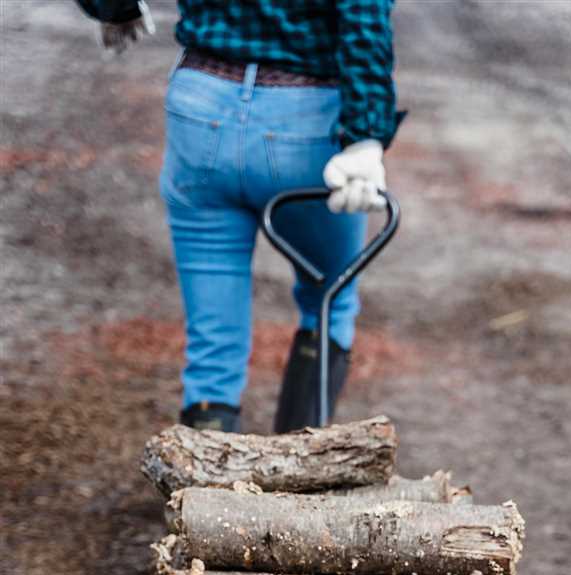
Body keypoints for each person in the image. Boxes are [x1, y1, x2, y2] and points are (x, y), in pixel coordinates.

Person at [75, 0, 404, 432]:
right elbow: (363, 14)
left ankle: (206, 488)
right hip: (305, 122)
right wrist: (364, 135)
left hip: (202, 105)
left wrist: (113, 7)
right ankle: (299, 474)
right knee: (330, 298)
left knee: (212, 342)